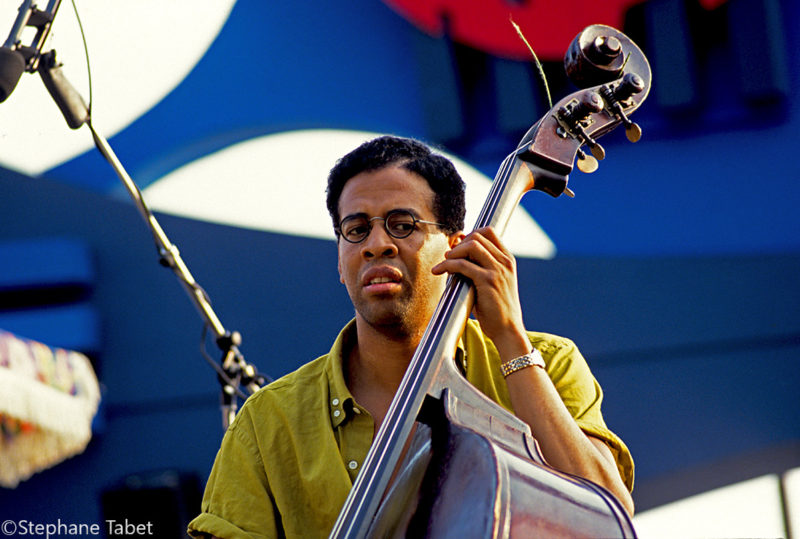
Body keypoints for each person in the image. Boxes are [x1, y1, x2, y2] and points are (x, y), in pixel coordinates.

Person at [188, 135, 634, 538]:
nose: (376, 244)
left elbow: (608, 513)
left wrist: (511, 339)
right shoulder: (269, 423)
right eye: (356, 229)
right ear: (340, 260)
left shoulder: (549, 361)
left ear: (457, 246)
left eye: (402, 224)